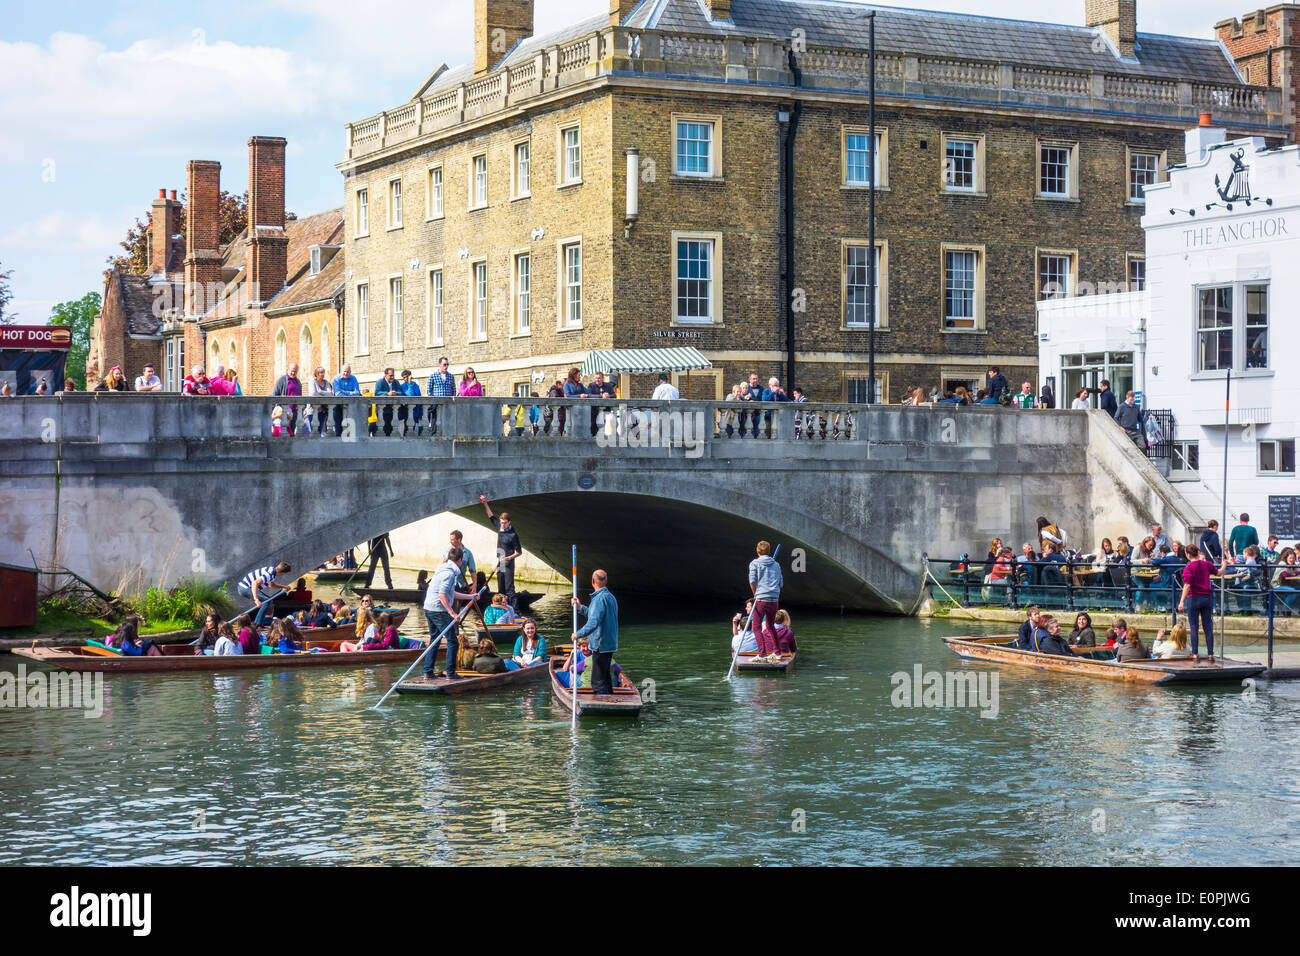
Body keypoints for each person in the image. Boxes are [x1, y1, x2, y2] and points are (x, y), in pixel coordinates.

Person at [423, 545, 478, 680]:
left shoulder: (442, 569)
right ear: (459, 561)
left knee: (435, 640)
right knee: (453, 641)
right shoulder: (449, 574)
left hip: (428, 608)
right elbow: (442, 595)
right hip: (438, 610)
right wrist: (452, 613)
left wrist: (471, 597)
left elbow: (451, 593)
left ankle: (428, 672)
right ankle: (451, 673)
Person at [571, 568, 619, 694]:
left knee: (597, 680)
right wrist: (580, 607)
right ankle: (608, 698)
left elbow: (593, 623)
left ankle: (603, 702)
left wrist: (578, 634)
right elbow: (596, 616)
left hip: (600, 644)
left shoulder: (598, 599)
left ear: (593, 581)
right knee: (605, 677)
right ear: (606, 581)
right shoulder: (611, 597)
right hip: (609, 644)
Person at [480, 495, 522, 606]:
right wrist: (485, 502)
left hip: (508, 562)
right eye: (501, 522)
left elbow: (519, 552)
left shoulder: (513, 535)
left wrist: (508, 558)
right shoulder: (499, 526)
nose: (502, 525)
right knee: (501, 589)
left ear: (509, 522)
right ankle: (501, 609)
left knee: (509, 589)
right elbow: (490, 515)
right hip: (500, 562)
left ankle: (515, 612)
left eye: (504, 523)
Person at [748, 540, 784, 663]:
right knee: (770, 626)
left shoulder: (754, 563)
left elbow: (752, 581)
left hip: (761, 599)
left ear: (757, 551)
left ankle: (762, 654)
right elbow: (781, 584)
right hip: (774, 600)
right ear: (768, 551)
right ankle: (777, 652)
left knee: (756, 627)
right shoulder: (777, 565)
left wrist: (755, 594)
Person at [238, 561, 292, 627]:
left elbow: (271, 585)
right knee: (267, 601)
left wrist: (284, 587)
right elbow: (255, 583)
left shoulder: (272, 571)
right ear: (283, 573)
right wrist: (256, 599)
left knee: (269, 601)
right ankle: (257, 624)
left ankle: (259, 623)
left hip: (246, 587)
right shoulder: (269, 574)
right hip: (244, 588)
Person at [272, 362, 303, 436]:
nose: (293, 372)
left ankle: (291, 447)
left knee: (291, 433)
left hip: (294, 411)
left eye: (295, 371)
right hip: (284, 411)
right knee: (282, 433)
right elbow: (275, 394)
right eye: (292, 370)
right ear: (288, 369)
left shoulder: (298, 382)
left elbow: (300, 396)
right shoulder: (281, 380)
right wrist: (274, 409)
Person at [331, 363, 361, 435]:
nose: (346, 373)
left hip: (351, 405)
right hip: (338, 405)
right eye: (344, 371)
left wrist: (346, 392)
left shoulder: (353, 378)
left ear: (350, 372)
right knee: (338, 424)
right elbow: (338, 394)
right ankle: (338, 438)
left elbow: (357, 393)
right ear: (341, 371)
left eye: (348, 372)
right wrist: (351, 393)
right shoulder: (336, 379)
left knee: (352, 425)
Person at [306, 366, 334, 438]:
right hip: (312, 410)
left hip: (323, 409)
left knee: (319, 430)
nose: (322, 374)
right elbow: (313, 394)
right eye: (321, 373)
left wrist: (319, 392)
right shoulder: (312, 381)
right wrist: (324, 394)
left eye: (323, 372)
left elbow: (330, 394)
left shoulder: (326, 382)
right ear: (316, 374)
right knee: (314, 431)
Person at [373, 367, 402, 436]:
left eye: (393, 375)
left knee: (391, 428)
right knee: (382, 428)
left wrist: (396, 393)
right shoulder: (380, 382)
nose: (392, 377)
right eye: (390, 375)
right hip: (383, 410)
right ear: (385, 375)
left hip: (393, 409)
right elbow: (377, 393)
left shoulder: (396, 382)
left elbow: (401, 392)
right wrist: (387, 394)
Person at [450, 529, 476, 595]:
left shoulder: (468, 553)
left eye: (452, 540)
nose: (450, 542)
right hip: (449, 582)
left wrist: (474, 584)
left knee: (457, 605)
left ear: (459, 540)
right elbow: (444, 565)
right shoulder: (447, 550)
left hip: (460, 585)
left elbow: (472, 570)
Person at [399, 369, 423, 435]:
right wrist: (409, 384)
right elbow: (410, 395)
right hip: (407, 412)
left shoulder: (415, 385)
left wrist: (420, 413)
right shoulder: (402, 386)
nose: (405, 379)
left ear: (410, 376)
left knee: (416, 431)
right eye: (404, 378)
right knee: (407, 431)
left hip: (416, 412)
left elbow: (419, 398)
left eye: (407, 377)